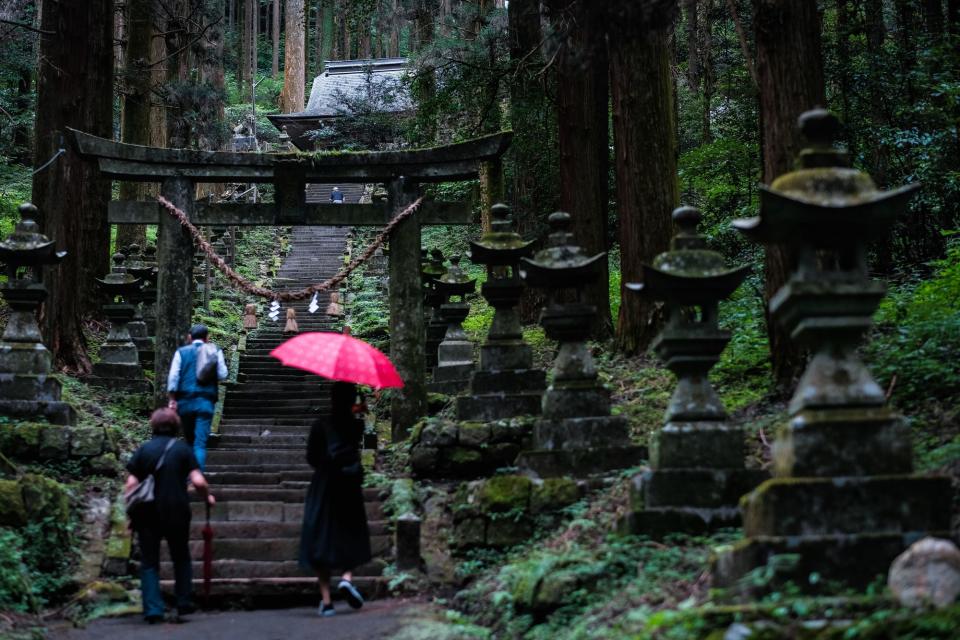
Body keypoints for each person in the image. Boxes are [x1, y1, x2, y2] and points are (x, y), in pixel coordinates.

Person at [125, 408, 215, 624]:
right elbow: (199, 482)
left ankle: (153, 610)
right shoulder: (182, 449)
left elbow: (130, 484)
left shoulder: (144, 450)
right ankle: (183, 603)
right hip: (177, 510)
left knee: (149, 561)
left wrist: (130, 513)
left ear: (153, 426)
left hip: (147, 512)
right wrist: (207, 497)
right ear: (176, 426)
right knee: (180, 556)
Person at [299, 381, 372, 617]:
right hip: (348, 484)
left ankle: (327, 601)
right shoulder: (356, 426)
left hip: (324, 485)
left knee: (320, 535)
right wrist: (361, 407)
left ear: (331, 399)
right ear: (352, 401)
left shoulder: (321, 426)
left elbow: (311, 457)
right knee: (352, 530)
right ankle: (347, 577)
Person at [167, 324, 227, 470]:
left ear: (189, 337)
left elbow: (173, 377)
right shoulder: (214, 351)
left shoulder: (181, 352)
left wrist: (172, 399)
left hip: (185, 402)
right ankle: (196, 477)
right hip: (206, 402)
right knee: (200, 443)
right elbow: (223, 374)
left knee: (189, 441)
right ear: (207, 338)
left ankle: (188, 476)